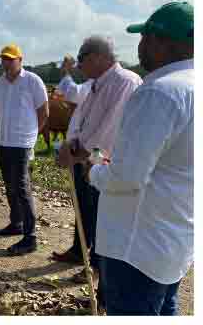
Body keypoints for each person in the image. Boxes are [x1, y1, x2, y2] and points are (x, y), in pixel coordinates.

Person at [92, 2, 193, 315]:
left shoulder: (159, 92)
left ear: (167, 42)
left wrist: (94, 169)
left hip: (136, 247)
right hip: (173, 238)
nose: (141, 45)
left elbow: (127, 178)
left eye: (147, 37)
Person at [52, 36, 141, 268]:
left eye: (81, 59)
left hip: (103, 162)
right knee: (85, 208)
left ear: (98, 57)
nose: (78, 65)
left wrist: (79, 152)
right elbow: (81, 120)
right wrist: (70, 145)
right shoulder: (96, 84)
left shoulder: (124, 82)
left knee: (102, 216)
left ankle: (97, 270)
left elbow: (107, 132)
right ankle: (80, 252)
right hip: (85, 159)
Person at [0, 43, 48, 255]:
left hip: (22, 143)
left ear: (20, 60)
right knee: (9, 185)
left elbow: (44, 111)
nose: (6, 63)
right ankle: (16, 223)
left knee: (23, 188)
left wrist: (32, 136)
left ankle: (30, 237)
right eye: (3, 59)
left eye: (10, 59)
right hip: (2, 141)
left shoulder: (33, 81)